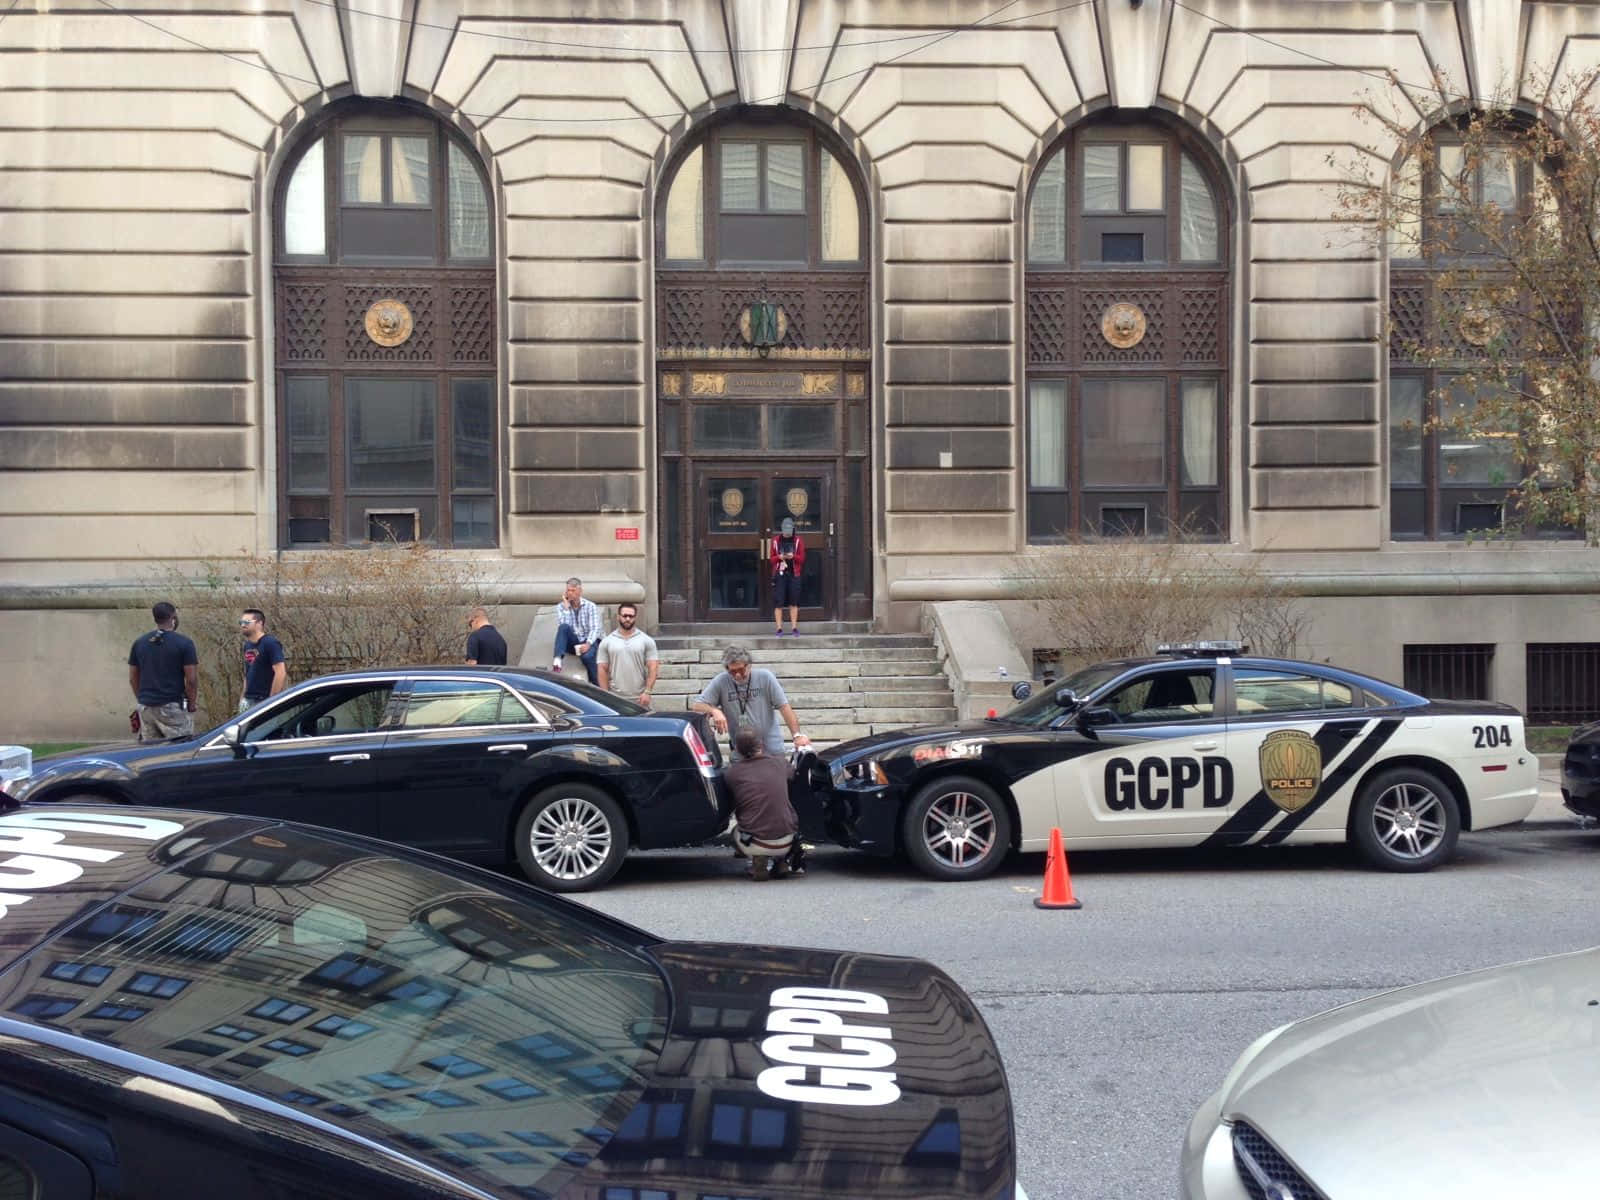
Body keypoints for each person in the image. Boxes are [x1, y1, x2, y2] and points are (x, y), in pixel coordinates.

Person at [692, 645, 811, 762]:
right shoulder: (721, 681)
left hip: (771, 748)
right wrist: (714, 711)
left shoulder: (765, 677)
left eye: (741, 670)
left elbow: (784, 707)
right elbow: (697, 706)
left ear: (749, 665)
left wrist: (797, 735)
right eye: (732, 671)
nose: (737, 675)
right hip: (742, 752)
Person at [724, 728, 801, 881]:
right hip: (788, 839)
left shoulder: (733, 773)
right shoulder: (780, 763)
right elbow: (792, 775)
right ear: (761, 744)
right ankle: (781, 862)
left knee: (734, 833)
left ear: (737, 750)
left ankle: (758, 861)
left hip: (756, 841)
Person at [127, 601, 199, 741]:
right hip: (172, 707)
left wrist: (142, 699)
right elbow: (191, 680)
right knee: (180, 750)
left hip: (146, 708)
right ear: (173, 617)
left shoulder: (139, 643)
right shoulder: (184, 643)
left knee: (152, 754)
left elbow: (133, 677)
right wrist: (191, 703)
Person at [596, 603, 660, 707]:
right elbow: (602, 669)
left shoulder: (646, 640)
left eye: (631, 616)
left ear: (635, 617)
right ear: (618, 617)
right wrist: (606, 695)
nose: (628, 619)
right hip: (615, 698)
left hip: (640, 698)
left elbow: (653, 667)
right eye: (624, 615)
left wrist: (647, 692)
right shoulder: (607, 642)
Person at [551, 577, 602, 683]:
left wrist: (588, 644)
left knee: (587, 657)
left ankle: (596, 683)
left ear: (580, 591)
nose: (570, 593)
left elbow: (595, 628)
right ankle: (557, 661)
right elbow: (564, 626)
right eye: (568, 590)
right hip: (574, 641)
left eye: (573, 590)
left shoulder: (590, 606)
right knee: (563, 627)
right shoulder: (561, 607)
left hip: (588, 640)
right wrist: (566, 609)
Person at [238, 608, 288, 712]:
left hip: (263, 700)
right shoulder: (247, 645)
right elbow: (248, 673)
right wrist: (243, 698)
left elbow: (280, 672)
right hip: (249, 700)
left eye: (247, 622)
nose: (243, 625)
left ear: (259, 623)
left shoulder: (270, 643)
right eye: (241, 622)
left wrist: (271, 701)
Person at [771, 516, 806, 636]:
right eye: (785, 530)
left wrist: (793, 557)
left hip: (794, 574)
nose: (787, 533)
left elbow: (802, 559)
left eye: (789, 530)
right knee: (778, 602)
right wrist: (779, 557)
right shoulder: (776, 541)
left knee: (794, 602)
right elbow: (771, 559)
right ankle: (779, 629)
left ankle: (794, 628)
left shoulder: (797, 541)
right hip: (780, 575)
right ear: (782, 529)